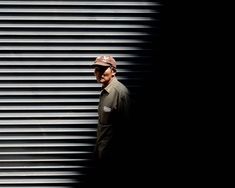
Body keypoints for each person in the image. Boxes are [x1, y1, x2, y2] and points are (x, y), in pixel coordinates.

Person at [84, 55, 131, 187]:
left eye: (103, 69)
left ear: (113, 71)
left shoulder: (120, 93)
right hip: (102, 156)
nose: (98, 73)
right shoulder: (105, 92)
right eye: (96, 69)